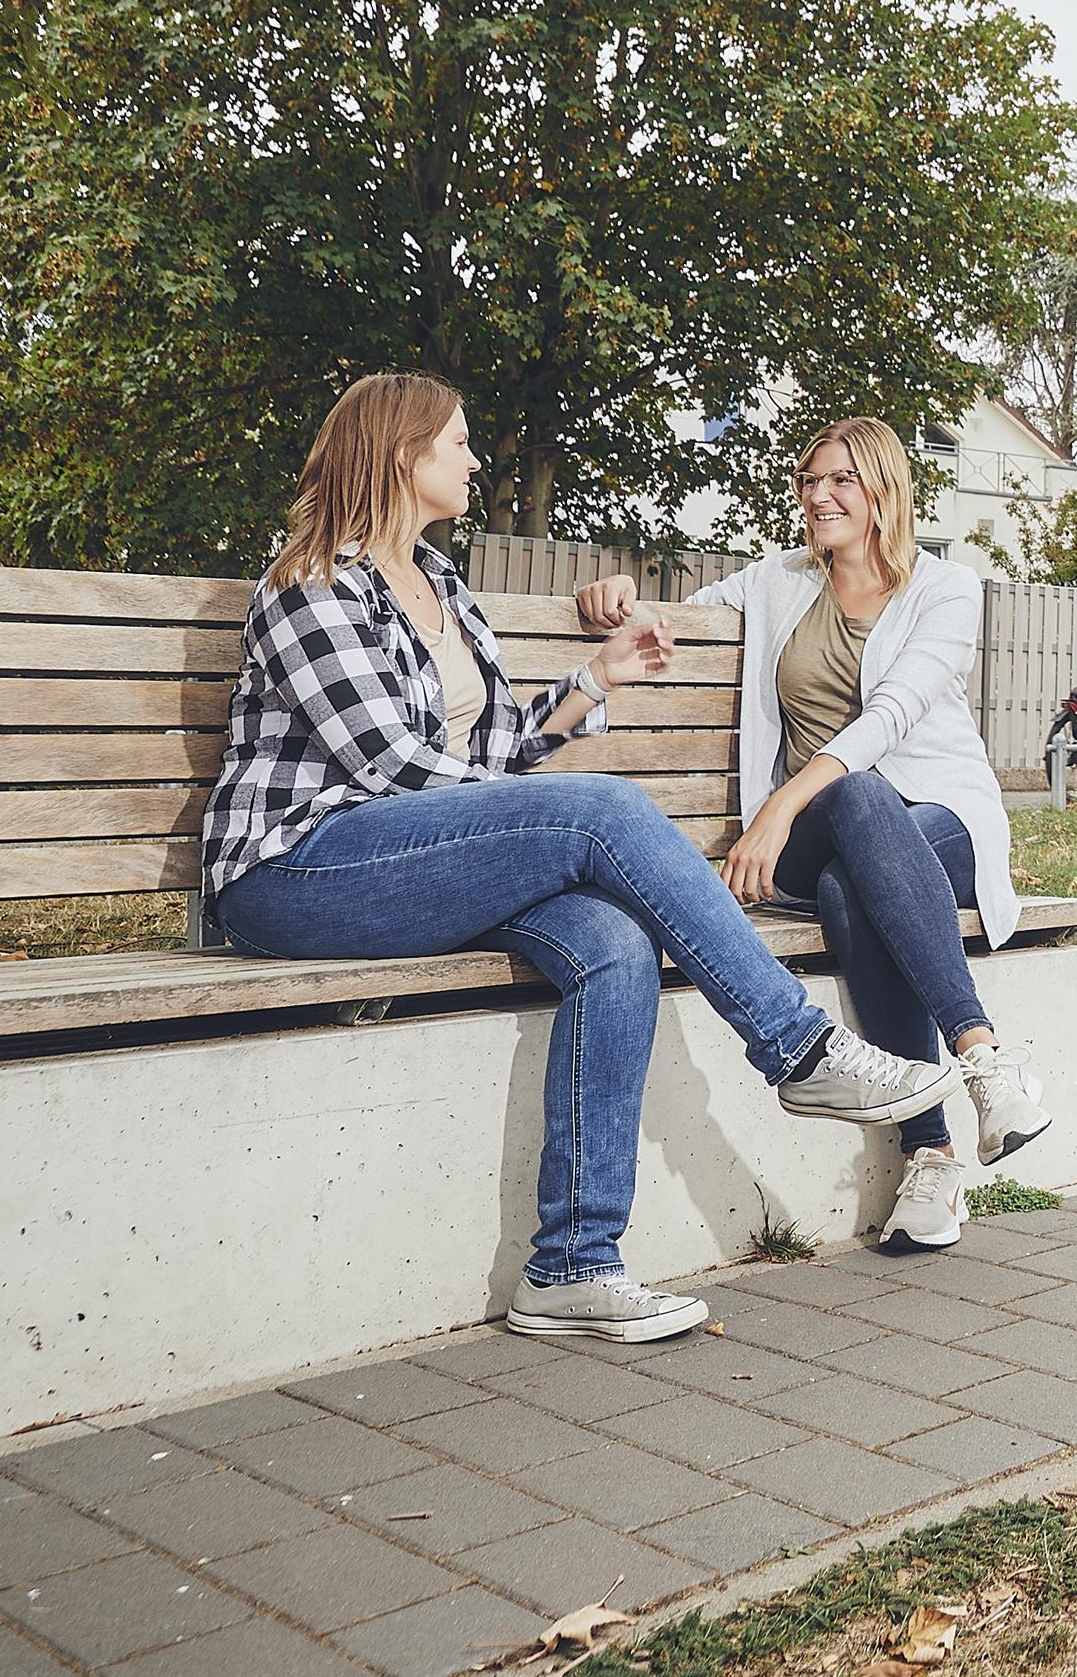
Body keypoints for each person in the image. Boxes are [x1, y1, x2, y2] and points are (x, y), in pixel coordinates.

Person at [209, 375, 959, 1349]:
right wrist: (549, 827)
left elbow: (490, 751)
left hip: (415, 860)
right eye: (458, 442)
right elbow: (394, 768)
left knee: (612, 941)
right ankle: (799, 1048)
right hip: (299, 870)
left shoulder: (436, 580)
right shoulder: (314, 584)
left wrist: (593, 678)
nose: (474, 459)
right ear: (402, 456)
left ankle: (572, 1266)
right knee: (601, 811)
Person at [577, 417, 1045, 1258]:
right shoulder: (779, 579)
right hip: (815, 825)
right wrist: (619, 597)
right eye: (808, 480)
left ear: (883, 489)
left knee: (847, 876)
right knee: (855, 809)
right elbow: (677, 622)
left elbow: (891, 714)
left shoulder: (947, 587)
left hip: (940, 819)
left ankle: (932, 1153)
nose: (819, 496)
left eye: (840, 480)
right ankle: (983, 1058)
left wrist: (779, 807)